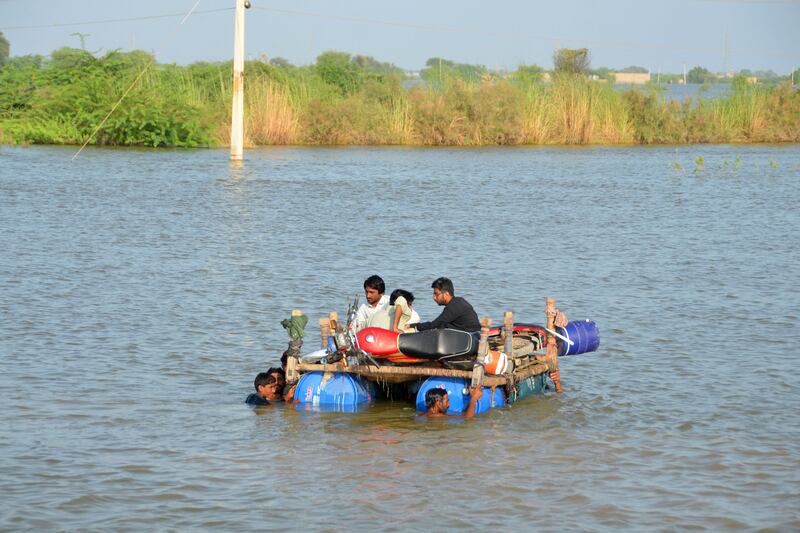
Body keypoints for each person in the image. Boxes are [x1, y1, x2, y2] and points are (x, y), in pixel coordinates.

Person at [408, 277, 481, 333]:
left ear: (446, 294)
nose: (433, 297)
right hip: (471, 333)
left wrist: (414, 326)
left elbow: (434, 325)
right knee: (442, 326)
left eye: (436, 294)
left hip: (470, 337)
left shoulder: (453, 306)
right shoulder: (458, 301)